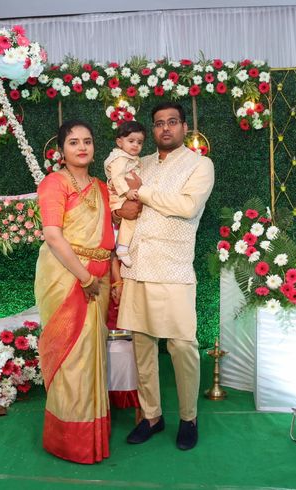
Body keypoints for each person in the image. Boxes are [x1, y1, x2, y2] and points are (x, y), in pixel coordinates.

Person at [116, 101, 215, 451]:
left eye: (172, 122)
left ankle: (188, 418)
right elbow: (120, 199)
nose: (165, 129)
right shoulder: (139, 163)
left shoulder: (200, 165)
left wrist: (141, 192)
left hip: (173, 267)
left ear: (184, 127)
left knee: (182, 346)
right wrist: (120, 208)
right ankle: (152, 416)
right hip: (137, 266)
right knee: (142, 345)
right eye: (159, 124)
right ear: (152, 130)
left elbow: (187, 207)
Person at [35, 120, 115, 464]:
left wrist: (113, 277)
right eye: (73, 142)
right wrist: (84, 278)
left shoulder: (101, 186)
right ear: (61, 151)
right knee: (72, 356)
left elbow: (110, 236)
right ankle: (70, 439)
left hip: (100, 275)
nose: (81, 147)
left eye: (87, 141)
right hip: (68, 276)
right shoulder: (54, 182)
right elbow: (53, 236)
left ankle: (93, 431)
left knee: (94, 354)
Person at [103, 121, 146, 267]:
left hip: (126, 193)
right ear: (119, 142)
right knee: (130, 217)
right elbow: (117, 177)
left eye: (139, 142)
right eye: (131, 141)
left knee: (134, 216)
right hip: (119, 196)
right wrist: (127, 192)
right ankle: (122, 248)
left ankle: (122, 246)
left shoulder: (130, 158)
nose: (135, 145)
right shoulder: (120, 158)